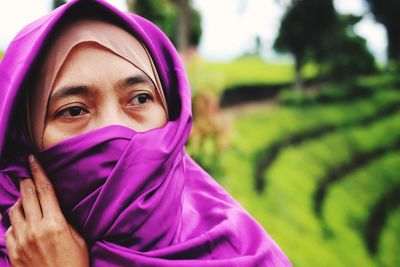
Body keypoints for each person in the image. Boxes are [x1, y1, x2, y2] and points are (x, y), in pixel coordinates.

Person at [0, 0, 291, 266]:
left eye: (140, 99)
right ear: (23, 138)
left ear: (171, 115)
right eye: (74, 110)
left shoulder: (242, 252)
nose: (116, 129)